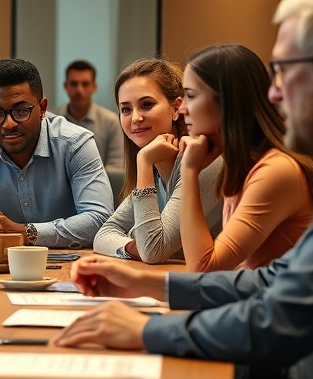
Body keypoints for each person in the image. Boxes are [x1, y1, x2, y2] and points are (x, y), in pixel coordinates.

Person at [53, 0, 313, 379]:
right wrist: (144, 283)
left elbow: (280, 318)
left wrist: (146, 329)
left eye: (282, 71)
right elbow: (273, 281)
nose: (273, 93)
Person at [0, 58, 114, 249]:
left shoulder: (75, 143)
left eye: (21, 111)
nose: (9, 124)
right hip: (0, 264)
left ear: (42, 108)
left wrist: (25, 233)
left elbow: (100, 219)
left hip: (70, 265)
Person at [175, 44, 313, 272]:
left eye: (191, 96)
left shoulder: (276, 170)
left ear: (228, 101)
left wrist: (189, 172)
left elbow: (203, 270)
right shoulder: (241, 166)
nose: (182, 109)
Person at [92, 58, 223, 263]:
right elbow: (104, 234)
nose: (135, 118)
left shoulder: (203, 161)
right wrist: (133, 247)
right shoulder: (156, 167)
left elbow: (153, 251)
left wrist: (143, 160)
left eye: (146, 105)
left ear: (176, 108)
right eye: (126, 109)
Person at [55, 60, 124, 173]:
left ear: (94, 87)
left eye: (85, 84)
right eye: (74, 84)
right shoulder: (53, 121)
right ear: (65, 86)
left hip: (101, 188)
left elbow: (116, 167)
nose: (79, 90)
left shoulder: (111, 121)